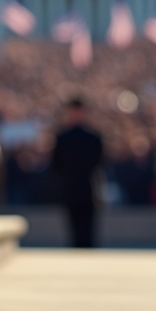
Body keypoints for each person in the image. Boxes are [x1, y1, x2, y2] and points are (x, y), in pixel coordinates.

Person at [50, 97, 105, 248]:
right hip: (83, 188)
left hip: (80, 188)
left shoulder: (64, 138)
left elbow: (56, 166)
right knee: (81, 230)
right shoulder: (92, 137)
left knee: (81, 230)